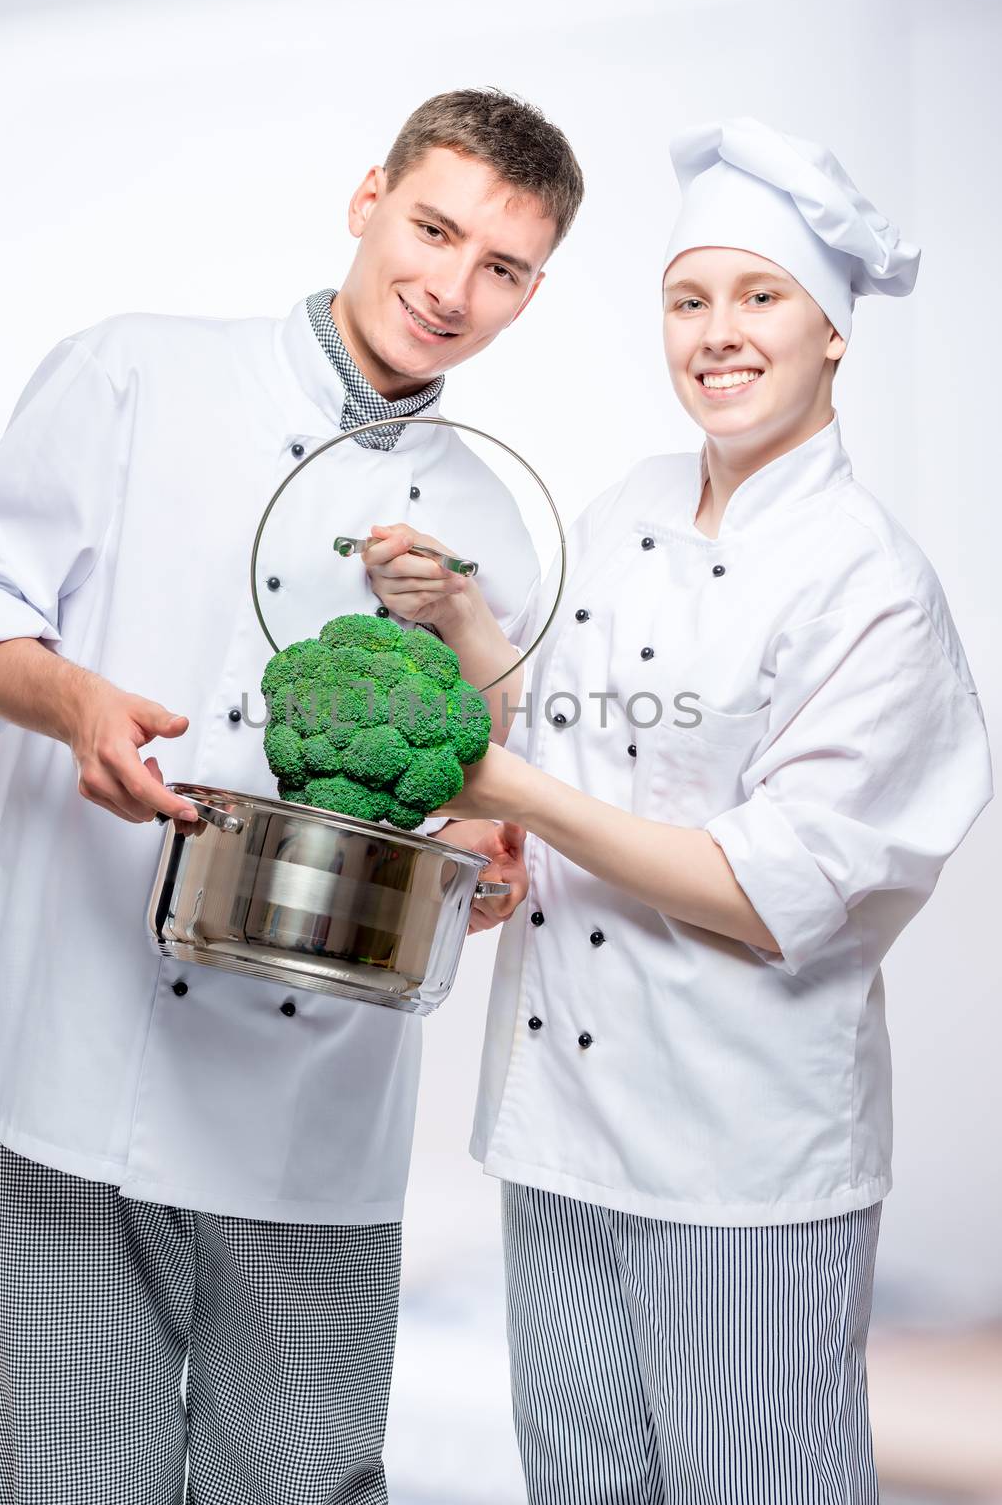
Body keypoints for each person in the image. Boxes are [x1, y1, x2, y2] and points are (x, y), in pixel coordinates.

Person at [0, 87, 583, 1505]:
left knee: (304, 1481)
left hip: (311, 1096)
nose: (451, 287)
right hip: (73, 1047)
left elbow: (486, 801)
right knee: (66, 1484)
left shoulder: (495, 525)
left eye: (504, 268)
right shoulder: (138, 375)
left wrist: (479, 863)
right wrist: (74, 704)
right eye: (432, 228)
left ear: (536, 291)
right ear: (368, 197)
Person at [375, 117, 994, 1503]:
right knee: (582, 1486)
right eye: (689, 299)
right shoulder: (626, 510)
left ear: (832, 330)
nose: (718, 334)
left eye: (761, 297)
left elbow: (773, 895)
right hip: (558, 1127)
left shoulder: (873, 588)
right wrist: (470, 618)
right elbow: (565, 744)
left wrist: (515, 787)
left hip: (741, 1151)